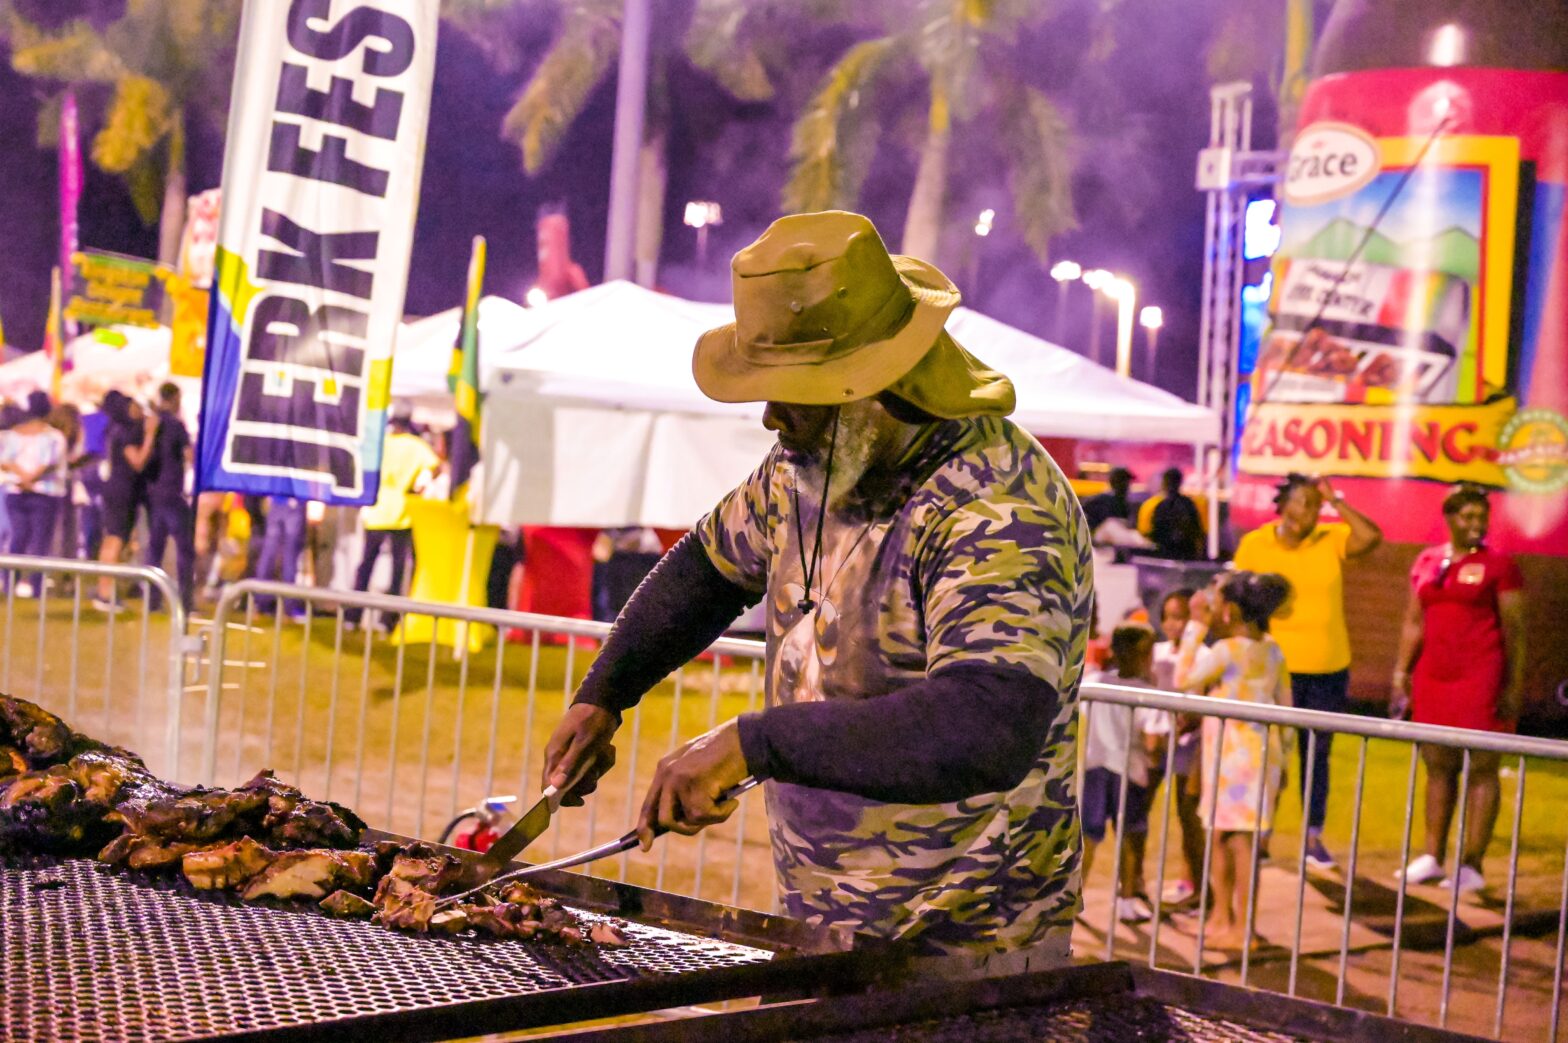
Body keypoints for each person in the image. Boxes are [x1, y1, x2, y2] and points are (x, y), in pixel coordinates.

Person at [540, 211, 1094, 972]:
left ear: (874, 379)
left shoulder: (996, 502)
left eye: (794, 391)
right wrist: (605, 692)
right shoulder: (807, 462)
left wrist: (752, 743)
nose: (769, 414)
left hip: (968, 949)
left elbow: (988, 722)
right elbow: (705, 567)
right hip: (822, 923)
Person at [1233, 473, 1382, 872]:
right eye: (1301, 502)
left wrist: (1338, 500)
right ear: (1282, 504)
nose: (1308, 512)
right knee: (1270, 755)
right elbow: (1234, 596)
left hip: (1327, 667)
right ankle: (1261, 835)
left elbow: (1370, 537)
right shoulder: (1255, 543)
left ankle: (1312, 837)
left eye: (1316, 506)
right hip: (1273, 667)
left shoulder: (1330, 540)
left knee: (1317, 756)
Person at [1392, 485, 1526, 894]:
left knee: (1482, 767)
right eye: (1467, 516)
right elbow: (1414, 621)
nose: (1475, 524)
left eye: (1481, 517)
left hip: (1480, 675)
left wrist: (1512, 685)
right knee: (1438, 764)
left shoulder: (1500, 565)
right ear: (1449, 517)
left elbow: (1515, 631)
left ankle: (1472, 864)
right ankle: (1432, 856)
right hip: (1434, 675)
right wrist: (1401, 672)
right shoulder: (1428, 561)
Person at [1175, 571, 1293, 951]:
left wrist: (1195, 627)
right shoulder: (1272, 649)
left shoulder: (1227, 651)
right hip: (1259, 755)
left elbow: (1183, 680)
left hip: (1230, 758)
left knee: (1233, 840)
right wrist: (1286, 760)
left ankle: (1240, 927)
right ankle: (1224, 919)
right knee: (1232, 838)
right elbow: (1286, 707)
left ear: (1231, 611)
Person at [1081, 623, 1161, 923]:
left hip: (1095, 767)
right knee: (1130, 837)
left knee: (1089, 835)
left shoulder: (1095, 681)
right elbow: (1153, 741)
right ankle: (1127, 901)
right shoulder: (1148, 693)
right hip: (1131, 771)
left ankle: (1075, 895)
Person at [1144, 588, 1206, 906]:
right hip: (1156, 740)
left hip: (1188, 745)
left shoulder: (1203, 656)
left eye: (1180, 617)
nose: (1174, 624)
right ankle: (1134, 886)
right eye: (1168, 617)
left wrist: (1191, 720)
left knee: (1188, 816)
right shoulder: (1156, 652)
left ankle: (1196, 885)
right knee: (1138, 809)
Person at [350, 413, 438, 627]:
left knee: (366, 564)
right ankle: (388, 620)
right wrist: (418, 486)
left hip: (376, 509)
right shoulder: (415, 445)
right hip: (401, 512)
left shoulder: (380, 443)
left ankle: (353, 615)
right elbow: (435, 466)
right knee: (397, 570)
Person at [0, 391, 69, 596]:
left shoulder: (12, 435)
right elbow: (48, 463)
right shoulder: (54, 436)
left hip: (17, 491)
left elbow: (5, 460)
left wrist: (22, 477)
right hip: (45, 493)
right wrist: (31, 478)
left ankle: (9, 583)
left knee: (18, 538)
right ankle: (36, 587)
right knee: (40, 541)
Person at [95, 391, 157, 611]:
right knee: (115, 539)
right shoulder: (126, 432)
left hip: (119, 489)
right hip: (122, 490)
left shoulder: (115, 429)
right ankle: (104, 592)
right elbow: (137, 461)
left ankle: (105, 590)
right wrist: (150, 435)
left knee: (115, 539)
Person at [142, 383, 196, 612]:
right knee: (184, 548)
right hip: (173, 492)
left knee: (155, 549)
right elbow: (189, 455)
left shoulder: (150, 423)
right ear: (174, 398)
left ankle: (152, 601)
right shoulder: (175, 425)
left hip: (153, 492)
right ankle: (185, 601)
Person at [252, 496, 308, 620]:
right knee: (290, 557)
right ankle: (289, 608)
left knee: (268, 554)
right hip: (294, 501)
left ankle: (260, 604)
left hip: (275, 501)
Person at [1140, 467, 1205, 560]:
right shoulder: (1188, 504)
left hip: (1164, 555)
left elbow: (1149, 533)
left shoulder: (1155, 505)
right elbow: (1198, 532)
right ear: (1180, 483)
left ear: (1163, 483)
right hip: (1186, 555)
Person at [1082, 467, 1135, 535]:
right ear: (1114, 482)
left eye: (1127, 481)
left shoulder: (1125, 503)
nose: (1127, 485)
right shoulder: (1102, 501)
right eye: (1123, 481)